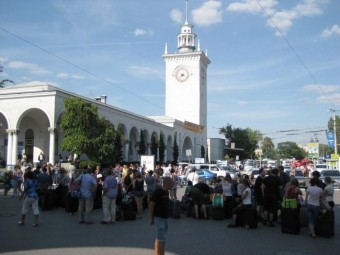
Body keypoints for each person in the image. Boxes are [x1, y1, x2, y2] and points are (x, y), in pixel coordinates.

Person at [149, 177, 173, 255]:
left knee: (160, 239)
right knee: (161, 240)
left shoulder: (167, 192)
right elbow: (151, 205)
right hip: (159, 218)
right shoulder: (158, 192)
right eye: (171, 183)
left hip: (165, 218)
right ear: (166, 183)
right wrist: (151, 218)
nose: (172, 184)